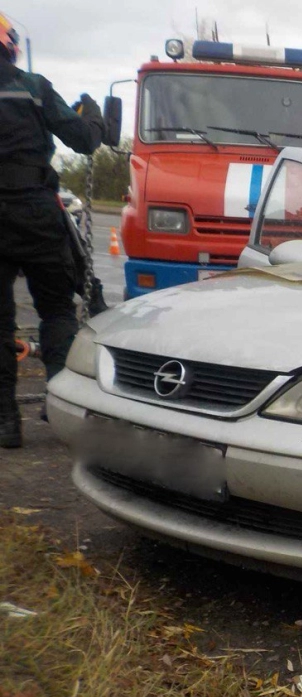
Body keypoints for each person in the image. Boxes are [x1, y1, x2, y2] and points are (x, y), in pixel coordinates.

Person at [0, 13, 104, 448]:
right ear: (12, 45)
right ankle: (59, 409)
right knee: (57, 311)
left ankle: (5, 423)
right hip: (36, 213)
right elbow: (84, 139)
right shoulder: (34, 88)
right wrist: (94, 115)